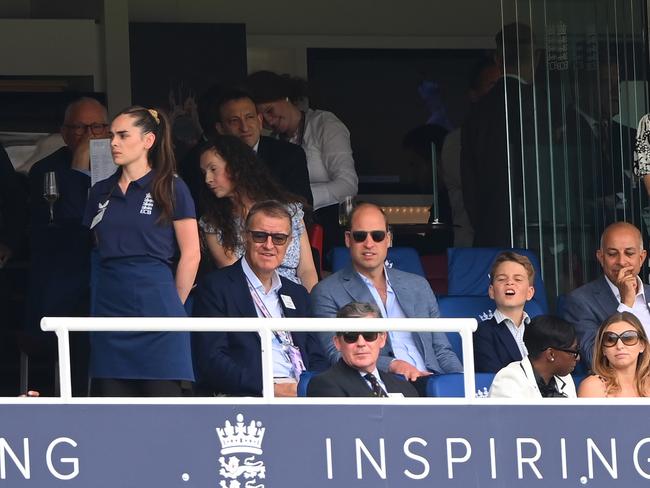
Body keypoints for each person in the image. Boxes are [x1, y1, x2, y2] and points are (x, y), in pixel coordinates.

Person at [83, 106, 200, 397]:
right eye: (112, 135)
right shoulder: (100, 191)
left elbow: (191, 253)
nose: (113, 142)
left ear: (148, 141)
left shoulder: (171, 186)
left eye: (123, 135)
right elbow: (94, 251)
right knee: (114, 412)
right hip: (110, 306)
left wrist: (173, 306)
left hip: (158, 302)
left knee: (164, 414)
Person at [311, 203, 462, 395]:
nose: (369, 243)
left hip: (433, 382)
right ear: (348, 240)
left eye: (377, 235)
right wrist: (394, 365)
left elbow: (442, 350)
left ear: (388, 239)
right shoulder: (327, 291)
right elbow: (336, 353)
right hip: (379, 386)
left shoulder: (418, 285)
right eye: (360, 236)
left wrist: (461, 381)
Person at [192, 200, 328, 397]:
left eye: (279, 238)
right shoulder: (215, 287)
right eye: (260, 236)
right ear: (245, 237)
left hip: (300, 397)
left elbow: (317, 357)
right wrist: (269, 389)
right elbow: (212, 360)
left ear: (289, 243)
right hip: (249, 398)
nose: (269, 245)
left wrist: (310, 389)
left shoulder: (297, 294)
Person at [26, 96, 109, 395]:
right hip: (66, 279)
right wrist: (78, 167)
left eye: (97, 126)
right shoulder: (46, 169)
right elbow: (75, 223)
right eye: (80, 128)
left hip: (111, 282)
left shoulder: (123, 167)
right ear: (63, 132)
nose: (89, 135)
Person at [245, 70, 358, 260]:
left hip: (333, 223)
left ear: (286, 98)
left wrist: (297, 196)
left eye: (270, 110)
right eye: (262, 118)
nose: (269, 121)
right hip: (289, 226)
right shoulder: (272, 143)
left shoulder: (324, 124)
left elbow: (348, 185)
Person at [198, 135, 318, 291]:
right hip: (249, 301)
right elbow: (233, 274)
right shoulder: (213, 222)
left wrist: (310, 308)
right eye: (204, 172)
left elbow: (307, 271)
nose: (207, 179)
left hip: (295, 301)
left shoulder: (290, 210)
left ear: (236, 167)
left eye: (213, 169)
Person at [461, 23, 539, 247]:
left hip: (490, 233)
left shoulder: (478, 111)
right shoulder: (542, 106)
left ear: (497, 59)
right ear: (536, 57)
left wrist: (486, 225)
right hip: (538, 234)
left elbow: (470, 186)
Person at [563, 222, 650, 369]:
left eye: (629, 253)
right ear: (600, 257)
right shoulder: (580, 301)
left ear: (641, 258)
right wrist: (626, 304)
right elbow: (593, 358)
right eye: (612, 254)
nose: (622, 262)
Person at [214, 88, 313, 206]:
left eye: (249, 117)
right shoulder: (212, 160)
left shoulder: (289, 155)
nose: (244, 128)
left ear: (260, 121)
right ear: (220, 129)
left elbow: (302, 206)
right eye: (234, 121)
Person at [441, 55, 500, 247]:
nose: (502, 92)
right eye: (493, 86)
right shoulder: (456, 141)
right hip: (472, 247)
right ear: (473, 95)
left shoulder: (518, 136)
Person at [307, 302, 418, 398]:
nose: (361, 343)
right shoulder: (324, 385)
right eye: (351, 336)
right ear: (337, 343)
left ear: (382, 339)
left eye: (369, 335)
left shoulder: (404, 386)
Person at [489, 315, 579, 398]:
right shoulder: (509, 379)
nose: (578, 358)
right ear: (551, 354)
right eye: (573, 352)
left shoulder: (566, 378)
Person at [474, 251, 536, 372]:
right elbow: (493, 377)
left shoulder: (539, 330)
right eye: (502, 279)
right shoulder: (482, 333)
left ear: (530, 292)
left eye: (518, 279)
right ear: (491, 291)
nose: (510, 282)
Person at [578, 312, 650, 397]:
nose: (619, 346)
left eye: (628, 338)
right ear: (603, 349)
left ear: (642, 345)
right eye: (610, 339)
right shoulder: (593, 386)